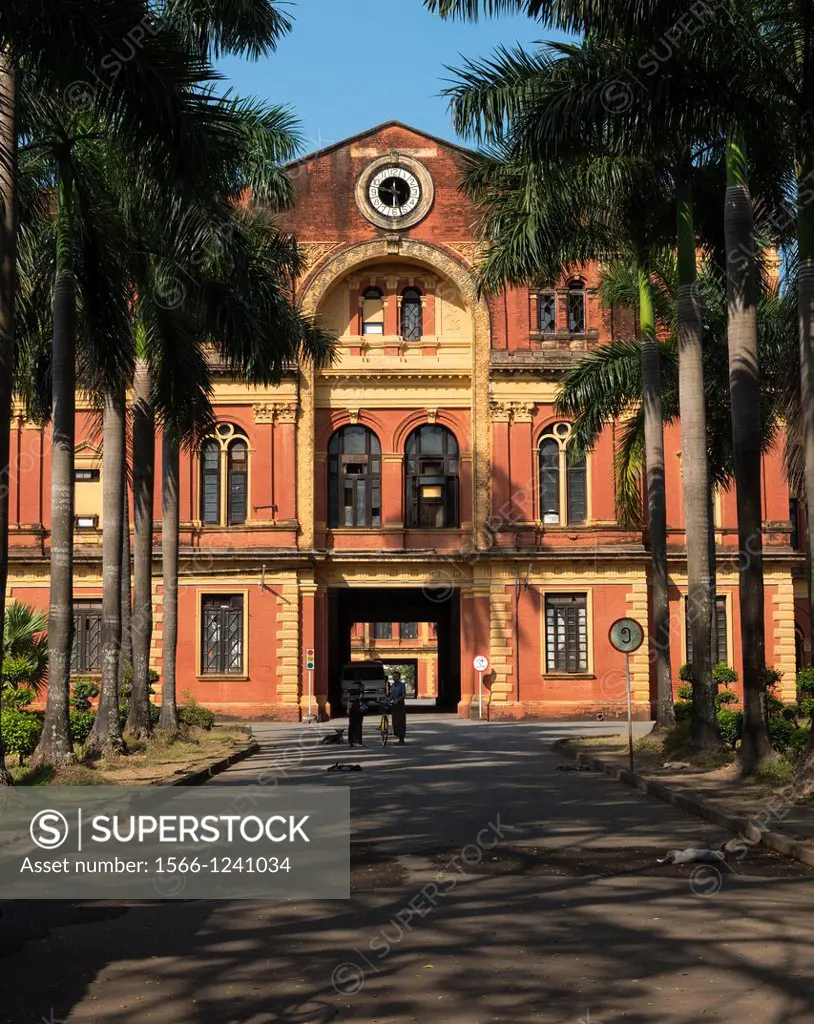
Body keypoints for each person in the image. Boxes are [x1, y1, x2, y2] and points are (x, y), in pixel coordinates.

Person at [388, 671, 407, 744]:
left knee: (401, 722)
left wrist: (397, 700)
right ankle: (398, 736)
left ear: (399, 677)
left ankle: (402, 739)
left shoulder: (402, 685)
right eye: (393, 676)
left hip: (400, 705)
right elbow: (391, 695)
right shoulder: (392, 685)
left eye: (396, 676)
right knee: (394, 721)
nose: (394, 677)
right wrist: (388, 700)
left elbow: (404, 695)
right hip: (394, 706)